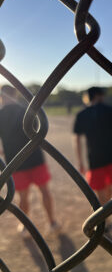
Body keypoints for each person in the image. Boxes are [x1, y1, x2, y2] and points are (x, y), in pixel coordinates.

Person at [0, 85, 60, 237]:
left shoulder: (0, 114)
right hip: (35, 157)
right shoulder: (26, 110)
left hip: (15, 161)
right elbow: (37, 133)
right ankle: (52, 222)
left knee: (23, 196)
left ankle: (24, 225)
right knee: (44, 191)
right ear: (15, 94)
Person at [73, 87, 112, 207]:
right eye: (102, 95)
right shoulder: (108, 109)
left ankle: (103, 215)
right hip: (111, 154)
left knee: (100, 188)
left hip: (94, 157)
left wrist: (80, 161)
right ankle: (107, 210)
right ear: (97, 95)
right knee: (109, 185)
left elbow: (77, 139)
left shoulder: (82, 113)